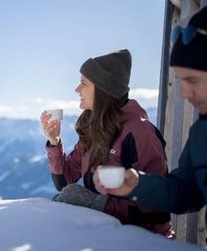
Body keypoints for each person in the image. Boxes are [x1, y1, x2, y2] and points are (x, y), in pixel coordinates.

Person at [40, 49, 174, 237]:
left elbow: (154, 209)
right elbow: (65, 180)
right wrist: (54, 142)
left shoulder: (140, 133)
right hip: (106, 238)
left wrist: (97, 204)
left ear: (104, 89)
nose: (76, 90)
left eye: (83, 83)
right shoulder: (95, 129)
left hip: (146, 244)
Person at [93, 7, 207, 227]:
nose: (184, 93)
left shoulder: (139, 130)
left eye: (192, 80)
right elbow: (185, 192)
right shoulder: (201, 132)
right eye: (180, 81)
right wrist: (136, 184)